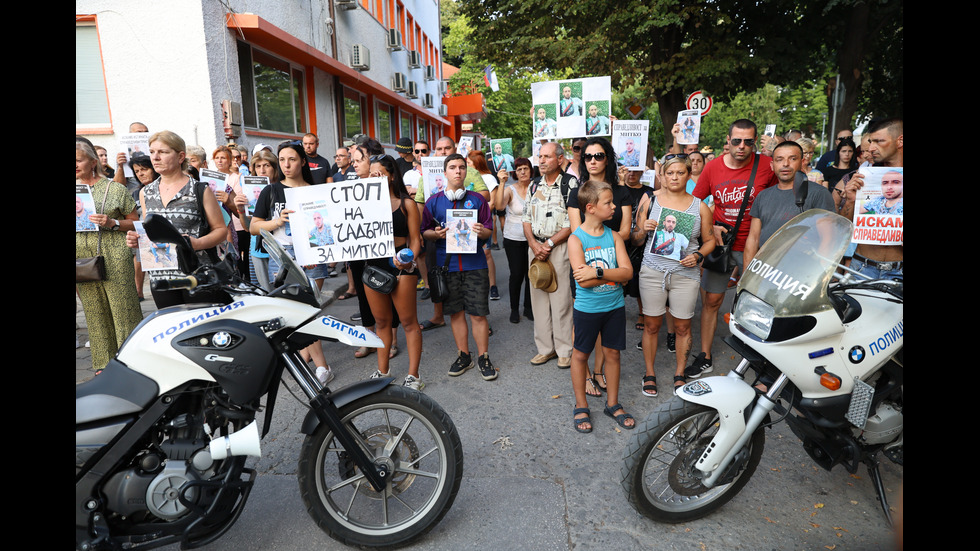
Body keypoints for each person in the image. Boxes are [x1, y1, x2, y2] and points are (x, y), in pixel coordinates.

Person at [689, 119, 777, 378]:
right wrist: (711, 226)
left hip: (757, 247)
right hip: (722, 245)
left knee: (760, 303)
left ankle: (761, 360)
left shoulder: (765, 166)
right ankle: (705, 356)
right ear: (727, 141)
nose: (742, 146)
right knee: (712, 301)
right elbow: (695, 204)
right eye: (736, 141)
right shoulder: (713, 167)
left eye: (748, 141)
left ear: (755, 142)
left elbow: (782, 194)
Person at [246, 142, 333, 381]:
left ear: (303, 162)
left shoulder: (315, 191)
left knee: (308, 309)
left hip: (312, 258)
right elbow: (253, 227)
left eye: (292, 159)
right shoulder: (271, 191)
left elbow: (327, 229)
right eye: (282, 159)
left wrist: (318, 254)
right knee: (296, 311)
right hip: (281, 258)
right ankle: (315, 361)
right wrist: (276, 222)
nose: (286, 164)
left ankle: (318, 364)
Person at [632, 154, 715, 395]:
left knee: (682, 327)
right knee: (651, 325)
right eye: (670, 173)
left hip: (685, 274)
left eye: (680, 173)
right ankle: (649, 373)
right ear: (663, 176)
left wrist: (698, 256)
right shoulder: (650, 202)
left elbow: (709, 241)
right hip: (653, 271)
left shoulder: (699, 207)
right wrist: (643, 229)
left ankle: (679, 372)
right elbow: (636, 238)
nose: (675, 177)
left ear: (689, 175)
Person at [124, 131, 230, 308]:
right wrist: (138, 240)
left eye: (163, 152)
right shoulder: (145, 192)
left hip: (196, 275)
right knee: (172, 327)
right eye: (152, 152)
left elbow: (221, 230)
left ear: (181, 156)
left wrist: (197, 243)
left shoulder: (199, 190)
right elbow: (149, 232)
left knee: (200, 329)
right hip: (161, 277)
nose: (155, 157)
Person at [421, 154, 498, 381]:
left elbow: (488, 231)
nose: (458, 171)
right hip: (448, 267)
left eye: (462, 168)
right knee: (456, 313)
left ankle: (483, 356)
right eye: (453, 168)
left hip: (475, 265)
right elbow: (424, 230)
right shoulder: (433, 202)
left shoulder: (478, 200)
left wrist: (480, 231)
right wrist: (434, 234)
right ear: (445, 173)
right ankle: (464, 355)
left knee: (478, 314)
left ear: (466, 172)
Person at [567, 180, 634, 433]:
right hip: (587, 309)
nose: (614, 206)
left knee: (613, 354)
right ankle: (581, 404)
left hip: (614, 306)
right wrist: (612, 274)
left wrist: (597, 271)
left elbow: (627, 273)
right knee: (581, 355)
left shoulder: (614, 236)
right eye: (608, 202)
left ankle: (612, 403)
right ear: (591, 208)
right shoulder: (577, 239)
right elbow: (583, 284)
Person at [567, 137, 631, 393]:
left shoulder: (620, 192)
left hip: (614, 255)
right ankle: (584, 377)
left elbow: (624, 231)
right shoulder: (577, 193)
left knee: (609, 331)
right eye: (587, 156)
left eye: (599, 155)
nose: (593, 160)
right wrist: (611, 273)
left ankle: (599, 372)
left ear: (608, 158)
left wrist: (609, 252)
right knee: (583, 325)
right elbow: (577, 234)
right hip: (588, 260)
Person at [76, 142, 143, 373]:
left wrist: (112, 222)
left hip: (114, 256)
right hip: (81, 259)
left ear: (93, 162)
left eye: (78, 160)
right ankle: (103, 366)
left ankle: (132, 362)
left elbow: (135, 222)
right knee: (94, 313)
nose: (75, 165)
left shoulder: (114, 189)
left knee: (123, 309)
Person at [362, 155, 425, 390]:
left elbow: (416, 240)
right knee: (381, 322)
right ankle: (382, 371)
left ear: (391, 176)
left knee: (408, 322)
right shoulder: (364, 203)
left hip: (400, 264)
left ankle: (414, 375)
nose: (374, 177)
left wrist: (408, 261)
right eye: (371, 173)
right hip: (373, 264)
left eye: (378, 173)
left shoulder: (406, 203)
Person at [524, 142, 577, 368]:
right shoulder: (534, 185)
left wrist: (549, 243)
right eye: (540, 156)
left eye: (547, 156)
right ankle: (545, 349)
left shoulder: (570, 184)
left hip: (559, 247)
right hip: (535, 248)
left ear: (560, 159)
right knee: (539, 301)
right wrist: (534, 244)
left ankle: (564, 349)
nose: (542, 160)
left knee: (561, 299)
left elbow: (572, 223)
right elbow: (526, 219)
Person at [743, 141, 837, 268]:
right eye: (779, 159)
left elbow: (828, 240)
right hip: (765, 270)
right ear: (772, 165)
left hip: (801, 272)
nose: (785, 164)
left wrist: (817, 277)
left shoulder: (819, 193)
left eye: (792, 159)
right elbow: (753, 239)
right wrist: (746, 276)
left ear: (802, 162)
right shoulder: (763, 196)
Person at [840, 118, 903, 279]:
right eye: (870, 141)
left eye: (879, 141)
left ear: (900, 141)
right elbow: (842, 229)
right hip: (862, 266)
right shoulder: (864, 178)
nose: (871, 148)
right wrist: (851, 201)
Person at [233, 148, 280, 291]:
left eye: (266, 165)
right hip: (257, 248)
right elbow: (248, 228)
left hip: (280, 249)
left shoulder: (282, 188)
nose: (262, 170)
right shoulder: (250, 192)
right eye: (258, 166)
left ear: (274, 167)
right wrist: (241, 210)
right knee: (264, 292)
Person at [500, 157, 534, 324]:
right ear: (515, 172)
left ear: (530, 170)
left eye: (525, 168)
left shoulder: (536, 188)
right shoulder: (509, 189)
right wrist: (501, 183)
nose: (522, 172)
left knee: (531, 275)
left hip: (533, 238)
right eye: (519, 169)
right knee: (516, 274)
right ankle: (514, 309)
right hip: (513, 239)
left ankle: (528, 307)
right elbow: (499, 206)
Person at [467, 150, 501, 301]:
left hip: (482, 221)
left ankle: (492, 286)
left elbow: (492, 203)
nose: (464, 167)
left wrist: (481, 216)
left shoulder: (488, 178)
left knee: (487, 254)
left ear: (476, 163)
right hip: (467, 222)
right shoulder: (464, 176)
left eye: (468, 163)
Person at [824, 138, 859, 208]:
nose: (847, 154)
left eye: (850, 151)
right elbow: (825, 192)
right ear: (838, 152)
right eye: (843, 151)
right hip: (831, 206)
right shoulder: (828, 171)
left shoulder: (856, 171)